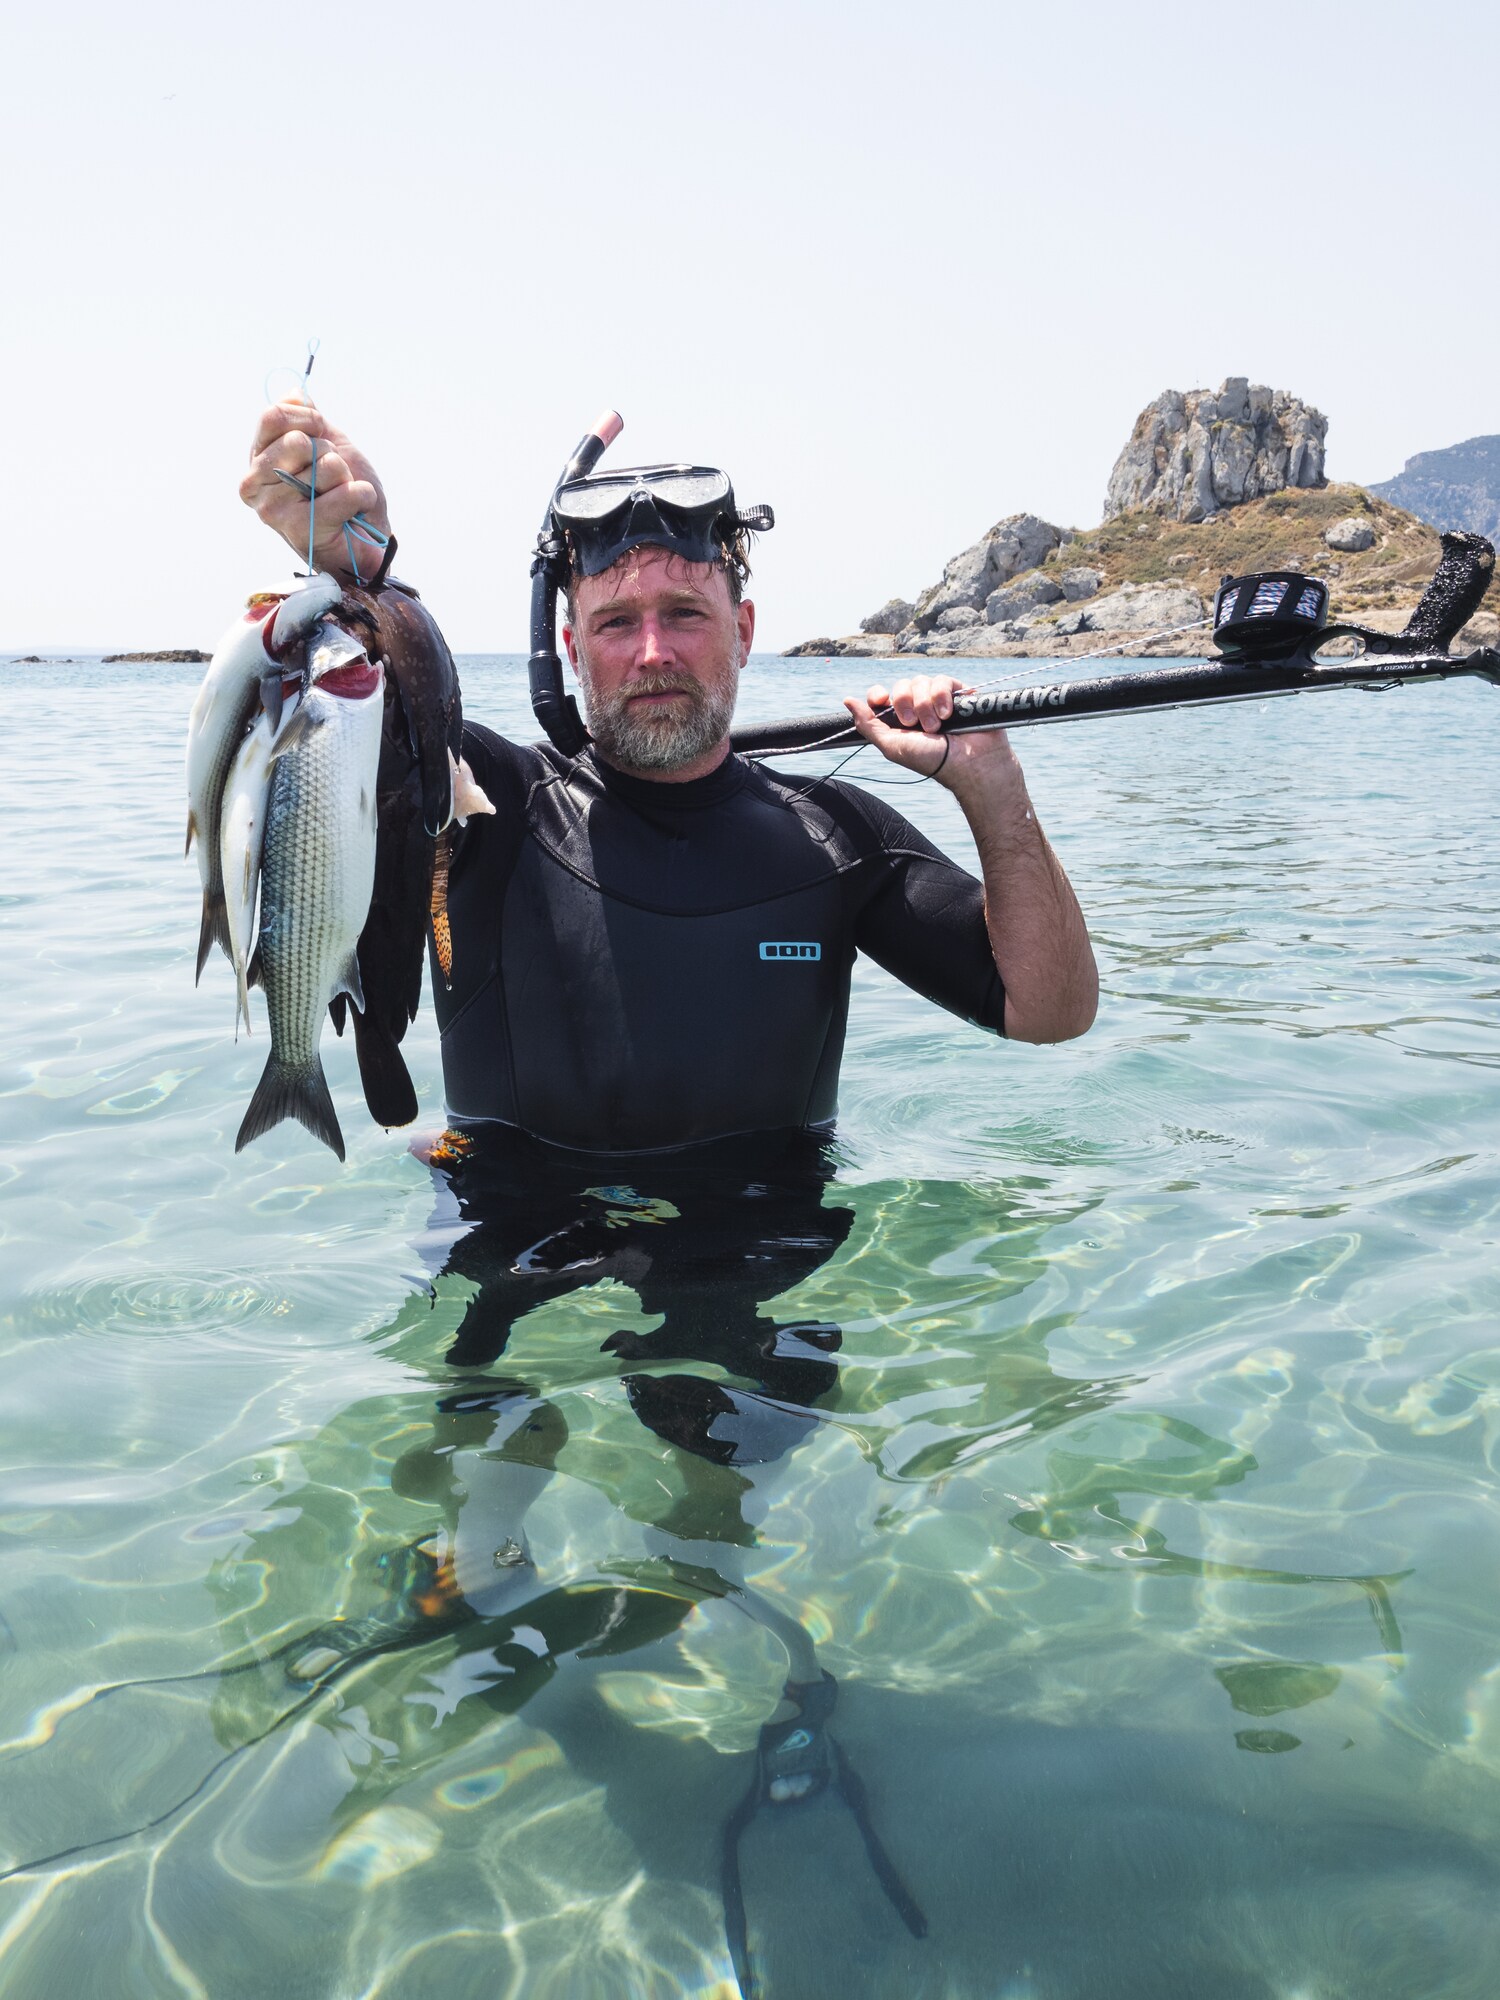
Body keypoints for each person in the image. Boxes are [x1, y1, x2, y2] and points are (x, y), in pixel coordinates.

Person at [239, 401, 1098, 1163]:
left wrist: (993, 787)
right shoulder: (488, 805)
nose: (653, 653)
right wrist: (360, 576)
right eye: (616, 623)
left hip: (768, 1274)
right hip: (519, 1277)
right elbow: (367, 705)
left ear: (745, 631)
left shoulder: (835, 839)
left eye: (685, 614)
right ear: (571, 651)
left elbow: (1051, 1011)